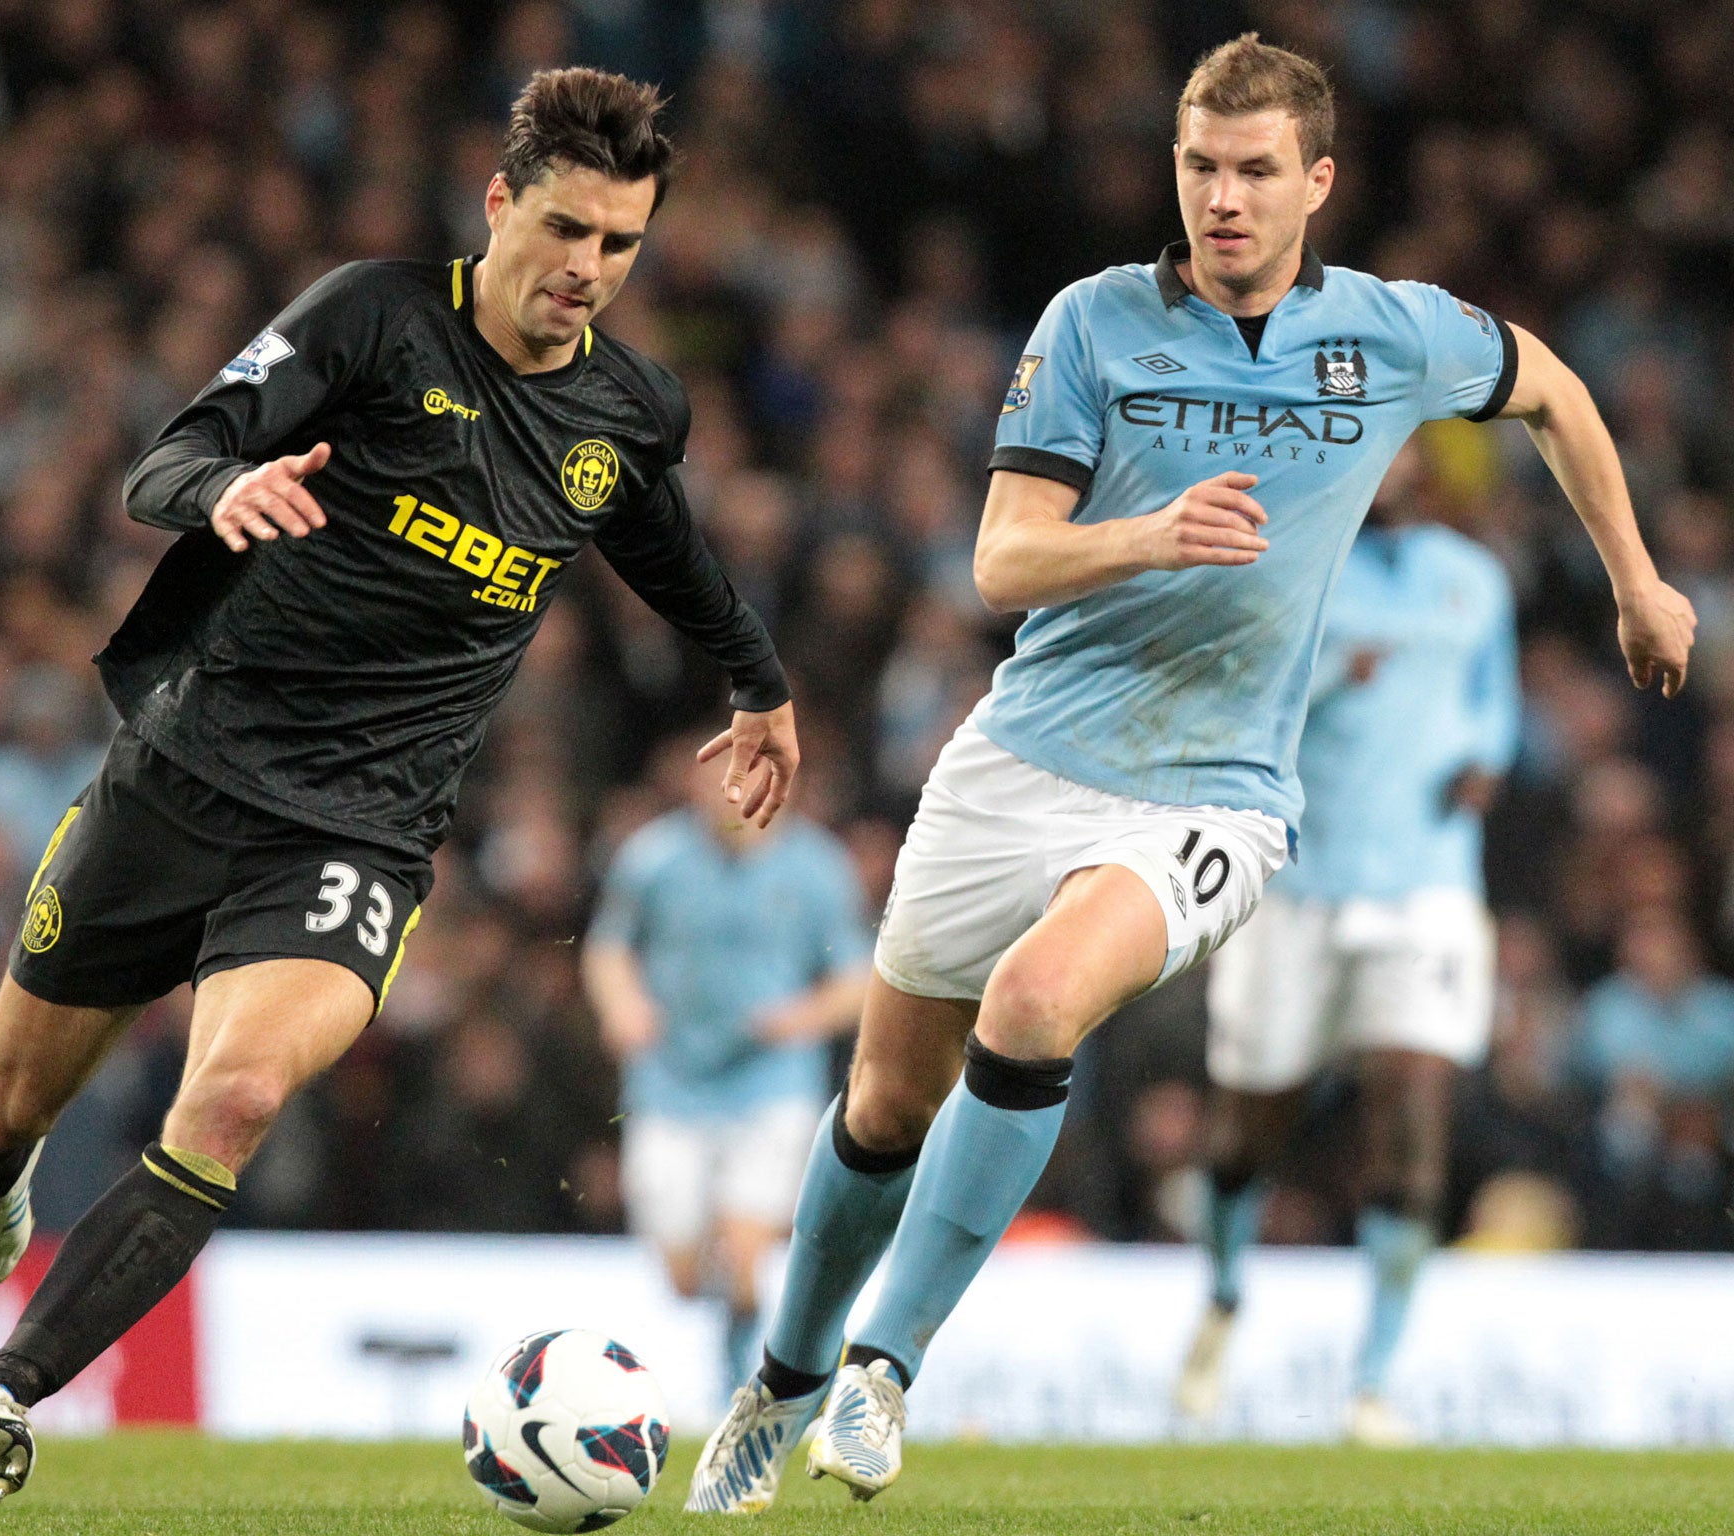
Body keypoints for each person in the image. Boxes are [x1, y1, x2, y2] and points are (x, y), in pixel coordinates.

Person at [686, 32, 1694, 1513]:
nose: (1224, 198)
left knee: (1034, 1008)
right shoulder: (1094, 324)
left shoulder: (1393, 334)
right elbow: (1000, 558)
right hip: (1024, 756)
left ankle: (882, 1369)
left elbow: (1551, 389)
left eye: (1255, 171)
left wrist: (1636, 579)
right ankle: (779, 1377)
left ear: (1318, 181)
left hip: (1215, 791)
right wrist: (1145, 536)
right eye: (1201, 167)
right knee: (886, 1103)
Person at [0, 68, 800, 1515]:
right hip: (184, 775)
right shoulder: (373, 316)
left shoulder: (631, 409)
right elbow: (168, 457)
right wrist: (224, 495)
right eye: (565, 228)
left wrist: (756, 680)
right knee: (2, 1101)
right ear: (499, 203)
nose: (588, 270)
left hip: (361, 830)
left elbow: (660, 541)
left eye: (621, 245)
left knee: (237, 1092)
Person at [1172, 442, 1520, 1446]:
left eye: (1406, 447)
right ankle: (1225, 1289)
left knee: (1412, 1105)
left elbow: (1491, 705)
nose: (1391, 463)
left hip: (1427, 887)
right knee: (1247, 1128)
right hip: (1299, 887)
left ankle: (1372, 1381)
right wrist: (1328, 677)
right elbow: (1232, 705)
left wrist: (1483, 762)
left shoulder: (1473, 580)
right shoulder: (1287, 571)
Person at [584, 733, 868, 1397]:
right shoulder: (653, 858)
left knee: (744, 1257)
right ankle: (733, 1335)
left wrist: (800, 1017)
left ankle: (742, 1380)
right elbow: (608, 950)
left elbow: (858, 978)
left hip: (769, 1080)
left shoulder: (817, 867)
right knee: (682, 1273)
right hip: (670, 1079)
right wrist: (622, 1006)